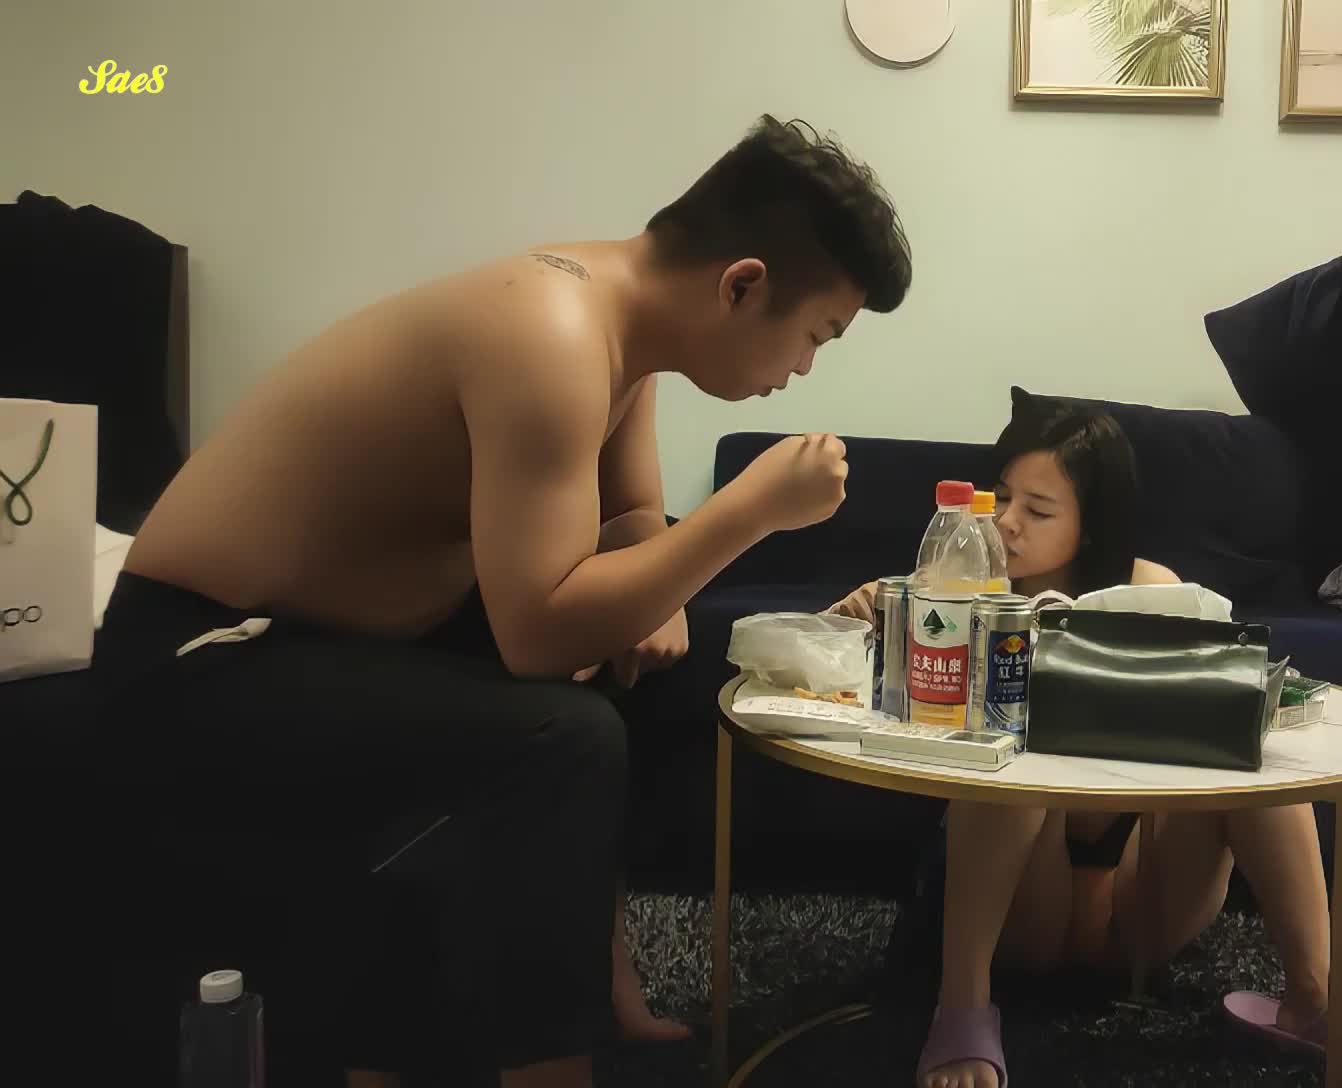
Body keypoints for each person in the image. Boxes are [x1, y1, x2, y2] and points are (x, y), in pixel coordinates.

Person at [92, 114, 911, 1087]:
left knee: (651, 661)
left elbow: (630, 514)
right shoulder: (550, 333)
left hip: (338, 634)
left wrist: (654, 579)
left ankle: (594, 983)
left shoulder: (623, 333)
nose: (806, 367)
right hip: (201, 655)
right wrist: (750, 510)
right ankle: (547, 1064)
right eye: (816, 335)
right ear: (742, 285)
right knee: (564, 734)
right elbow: (537, 632)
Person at [829, 394, 1342, 1088]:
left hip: (1142, 899)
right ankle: (964, 1004)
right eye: (1000, 497)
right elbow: (852, 691)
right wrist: (854, 625)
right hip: (1021, 907)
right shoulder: (952, 591)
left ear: (1092, 525)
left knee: (1254, 746)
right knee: (1010, 737)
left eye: (1038, 510)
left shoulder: (1150, 591)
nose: (1006, 523)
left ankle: (1316, 997)